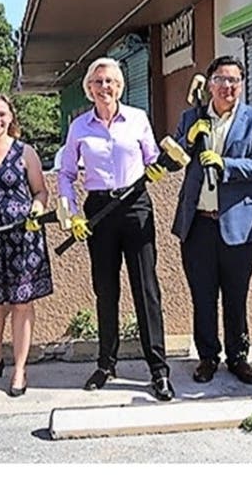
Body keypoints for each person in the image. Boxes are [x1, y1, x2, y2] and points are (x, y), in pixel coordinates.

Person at [57, 57, 174, 401]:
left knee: (146, 289)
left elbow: (153, 159)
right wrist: (72, 212)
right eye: (97, 82)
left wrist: (160, 167)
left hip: (136, 206)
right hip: (99, 210)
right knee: (106, 290)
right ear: (88, 89)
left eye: (109, 81)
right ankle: (106, 364)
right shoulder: (79, 126)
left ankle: (159, 370)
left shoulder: (138, 119)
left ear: (120, 86)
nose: (104, 87)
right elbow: (65, 174)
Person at [171, 55, 252, 385]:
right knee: (202, 295)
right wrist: (188, 141)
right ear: (209, 83)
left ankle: (239, 357)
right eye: (221, 79)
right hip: (198, 223)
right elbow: (173, 162)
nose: (228, 86)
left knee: (236, 295)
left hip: (238, 224)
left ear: (241, 85)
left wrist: (225, 164)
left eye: (234, 80)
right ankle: (207, 357)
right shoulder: (191, 118)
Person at [0, 94, 53, 397]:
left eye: (2, 114)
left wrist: (37, 210)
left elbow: (41, 192)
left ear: (11, 117)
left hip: (22, 238)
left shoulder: (25, 152)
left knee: (21, 303)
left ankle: (19, 368)